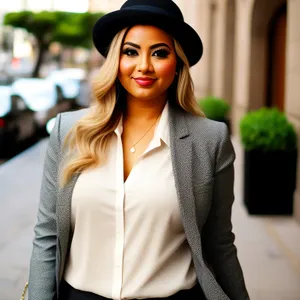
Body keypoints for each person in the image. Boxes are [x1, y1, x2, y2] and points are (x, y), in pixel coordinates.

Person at [28, 0, 250, 299]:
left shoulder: (209, 139)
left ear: (178, 63)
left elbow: (219, 242)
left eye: (159, 53)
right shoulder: (70, 132)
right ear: (115, 60)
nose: (144, 65)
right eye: (130, 51)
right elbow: (47, 236)